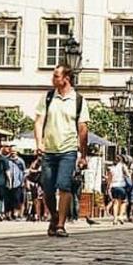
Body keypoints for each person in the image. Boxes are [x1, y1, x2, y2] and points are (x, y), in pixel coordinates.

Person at [34, 64, 90, 239]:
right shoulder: (48, 98)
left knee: (64, 185)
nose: (53, 79)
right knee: (48, 188)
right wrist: (39, 142)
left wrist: (83, 155)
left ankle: (60, 225)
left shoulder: (79, 100)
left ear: (66, 78)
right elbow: (38, 122)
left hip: (68, 150)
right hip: (49, 150)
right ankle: (54, 215)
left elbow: (83, 129)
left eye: (56, 76)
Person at [5, 145, 26, 220]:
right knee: (8, 199)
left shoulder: (20, 161)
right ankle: (8, 214)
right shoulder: (7, 160)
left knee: (16, 199)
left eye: (14, 151)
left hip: (17, 182)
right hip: (8, 182)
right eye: (12, 151)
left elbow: (24, 171)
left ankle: (16, 214)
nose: (13, 153)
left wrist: (23, 181)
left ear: (17, 152)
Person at [107, 155, 129, 225]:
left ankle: (115, 218)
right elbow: (128, 175)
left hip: (114, 186)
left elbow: (109, 179)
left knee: (115, 203)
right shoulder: (123, 166)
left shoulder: (111, 168)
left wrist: (108, 188)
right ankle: (121, 216)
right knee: (124, 202)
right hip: (122, 186)